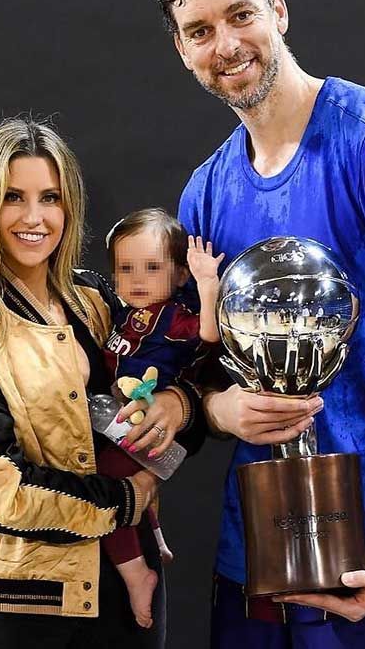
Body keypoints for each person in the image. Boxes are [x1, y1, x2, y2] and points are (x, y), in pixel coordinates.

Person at [154, 0, 365, 649]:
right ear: (182, 50)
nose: (226, 45)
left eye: (240, 14)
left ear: (277, 8)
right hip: (255, 574)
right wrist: (218, 412)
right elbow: (197, 368)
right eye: (199, 30)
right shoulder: (204, 195)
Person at [0, 118, 204, 649]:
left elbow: (180, 366)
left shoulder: (96, 300)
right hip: (20, 607)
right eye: (13, 196)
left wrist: (179, 403)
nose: (34, 218)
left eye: (51, 198)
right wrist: (125, 502)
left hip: (127, 593)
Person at [96, 208, 222, 629]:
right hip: (117, 415)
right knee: (130, 487)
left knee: (109, 490)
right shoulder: (124, 311)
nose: (137, 279)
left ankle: (137, 574)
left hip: (146, 421)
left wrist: (208, 285)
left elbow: (209, 334)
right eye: (126, 268)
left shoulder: (172, 317)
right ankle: (156, 536)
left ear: (179, 274)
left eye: (152, 268)